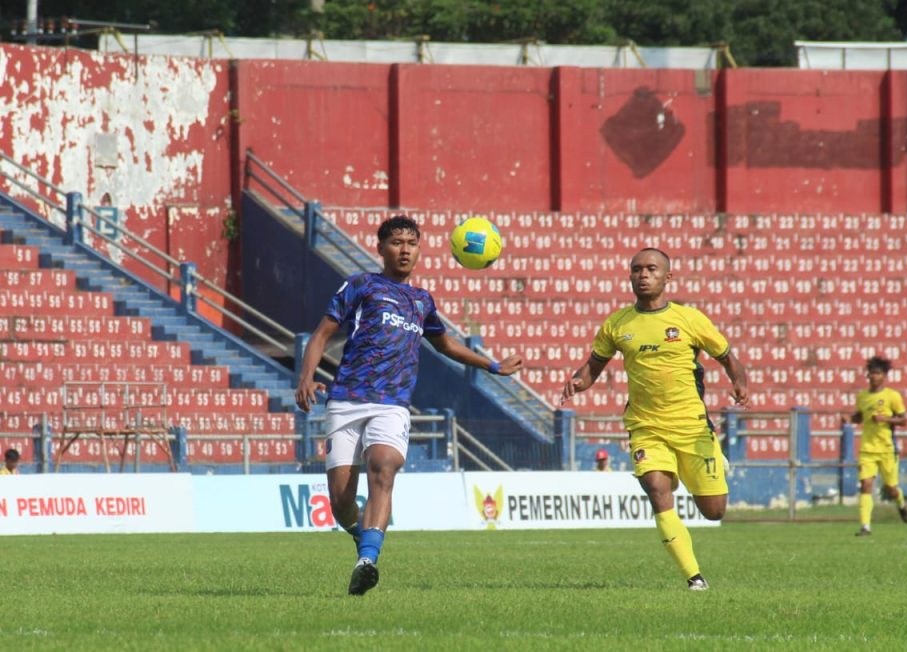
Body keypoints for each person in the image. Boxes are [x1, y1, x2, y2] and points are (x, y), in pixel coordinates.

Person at [295, 215, 523, 596]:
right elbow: (322, 334)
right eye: (397, 242)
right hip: (347, 399)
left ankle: (367, 560)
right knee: (340, 501)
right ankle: (359, 535)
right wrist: (304, 377)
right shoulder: (361, 285)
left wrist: (492, 365)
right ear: (380, 247)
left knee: (383, 467)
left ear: (419, 250)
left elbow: (445, 344)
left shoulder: (422, 301)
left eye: (411, 243)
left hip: (392, 403)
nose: (404, 249)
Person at [562, 248, 749, 592]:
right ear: (629, 276)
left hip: (692, 427)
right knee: (657, 489)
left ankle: (712, 460)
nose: (643, 275)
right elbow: (593, 365)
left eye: (651, 269)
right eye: (636, 269)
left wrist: (739, 382)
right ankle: (695, 577)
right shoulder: (617, 324)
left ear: (667, 277)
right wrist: (578, 381)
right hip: (646, 426)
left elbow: (728, 357)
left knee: (714, 511)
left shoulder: (689, 319)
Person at [846, 355, 907, 536]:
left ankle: (902, 505)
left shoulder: (892, 396)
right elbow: (860, 417)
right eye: (871, 373)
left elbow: (904, 420)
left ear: (884, 376)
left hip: (887, 449)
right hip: (867, 448)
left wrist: (885, 419)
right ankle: (865, 527)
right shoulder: (862, 397)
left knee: (891, 489)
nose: (873, 376)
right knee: (866, 485)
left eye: (877, 373)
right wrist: (850, 419)